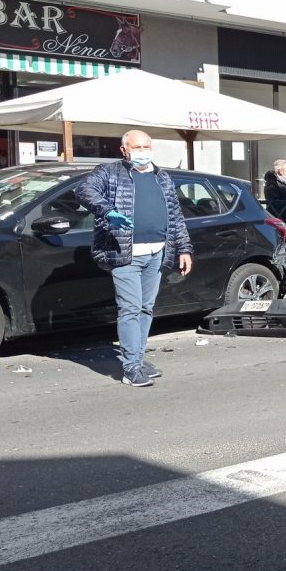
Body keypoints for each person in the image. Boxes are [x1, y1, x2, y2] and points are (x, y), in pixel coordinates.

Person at [77, 130, 193, 388]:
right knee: (129, 308)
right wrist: (108, 211)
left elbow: (175, 216)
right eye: (137, 147)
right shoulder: (110, 173)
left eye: (146, 146)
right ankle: (131, 368)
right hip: (124, 252)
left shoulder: (161, 176)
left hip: (157, 252)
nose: (143, 151)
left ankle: (138, 359)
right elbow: (84, 190)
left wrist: (184, 249)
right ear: (124, 150)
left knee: (145, 308)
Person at [264, 159, 286, 232]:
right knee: (282, 242)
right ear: (281, 171)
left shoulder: (280, 183)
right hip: (281, 222)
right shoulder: (273, 184)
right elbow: (274, 203)